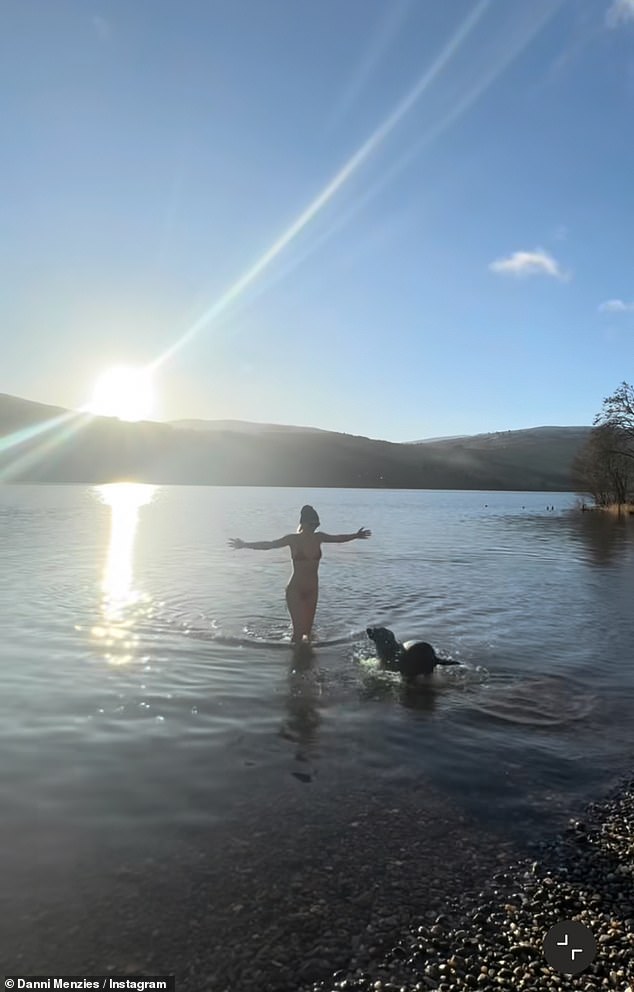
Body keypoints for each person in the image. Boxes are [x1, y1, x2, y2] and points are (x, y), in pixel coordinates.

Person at [228, 504, 371, 643]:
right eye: (311, 524)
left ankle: (307, 663)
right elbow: (269, 544)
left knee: (307, 634)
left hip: (312, 590)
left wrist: (356, 535)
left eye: (316, 525)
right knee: (297, 634)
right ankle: (295, 663)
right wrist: (245, 544)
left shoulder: (319, 538)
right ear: (303, 523)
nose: (313, 527)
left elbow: (339, 538)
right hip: (295, 589)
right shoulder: (293, 539)